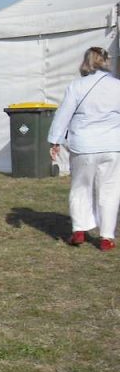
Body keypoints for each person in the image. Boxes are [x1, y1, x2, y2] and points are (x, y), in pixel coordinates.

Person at [47, 46, 120, 251]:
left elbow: (63, 115)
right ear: (106, 61)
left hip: (84, 145)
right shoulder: (117, 86)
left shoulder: (76, 86)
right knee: (110, 190)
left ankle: (79, 229)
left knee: (80, 187)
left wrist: (55, 140)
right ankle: (106, 237)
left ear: (86, 62)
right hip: (113, 146)